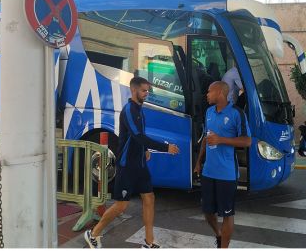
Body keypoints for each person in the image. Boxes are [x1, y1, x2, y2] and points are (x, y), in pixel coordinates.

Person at [84, 77, 180, 249]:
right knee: (121, 205)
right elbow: (138, 136)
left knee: (149, 198)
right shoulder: (129, 109)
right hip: (127, 164)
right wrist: (166, 148)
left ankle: (149, 242)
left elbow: (136, 137)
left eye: (147, 90)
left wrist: (144, 150)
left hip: (140, 164)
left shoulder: (139, 109)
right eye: (144, 90)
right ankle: (93, 234)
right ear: (134, 90)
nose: (147, 93)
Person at [193, 81, 251, 248]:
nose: (207, 94)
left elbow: (247, 141)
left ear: (219, 92)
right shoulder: (209, 111)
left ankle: (224, 246)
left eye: (209, 91)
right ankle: (219, 235)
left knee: (227, 213)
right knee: (207, 212)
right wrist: (198, 162)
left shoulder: (236, 113)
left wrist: (221, 140)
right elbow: (206, 138)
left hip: (227, 173)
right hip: (209, 172)